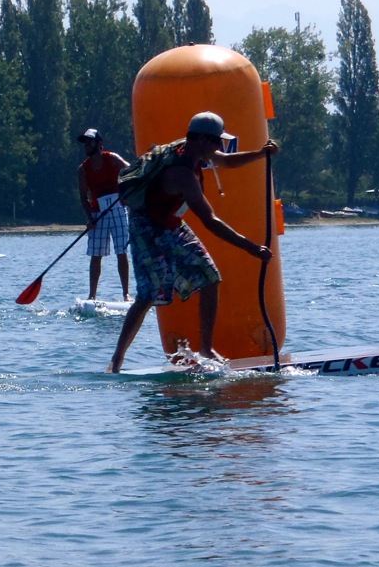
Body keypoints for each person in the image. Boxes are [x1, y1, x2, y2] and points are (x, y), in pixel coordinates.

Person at [108, 111, 277, 373]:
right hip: (147, 228)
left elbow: (226, 161)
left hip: (172, 224)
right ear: (199, 139)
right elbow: (210, 220)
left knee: (210, 276)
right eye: (215, 142)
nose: (219, 147)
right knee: (147, 296)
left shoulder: (192, 149)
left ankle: (205, 349)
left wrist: (260, 153)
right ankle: (116, 361)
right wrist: (252, 249)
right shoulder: (182, 174)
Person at [76, 128, 131, 301]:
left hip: (118, 209)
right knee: (96, 254)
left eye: (90, 142)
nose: (87, 145)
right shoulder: (83, 170)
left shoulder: (112, 159)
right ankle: (92, 295)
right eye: (85, 143)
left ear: (99, 144)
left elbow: (132, 172)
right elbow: (83, 197)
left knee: (121, 251)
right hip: (97, 213)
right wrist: (89, 218)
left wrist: (125, 192)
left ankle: (126, 294)